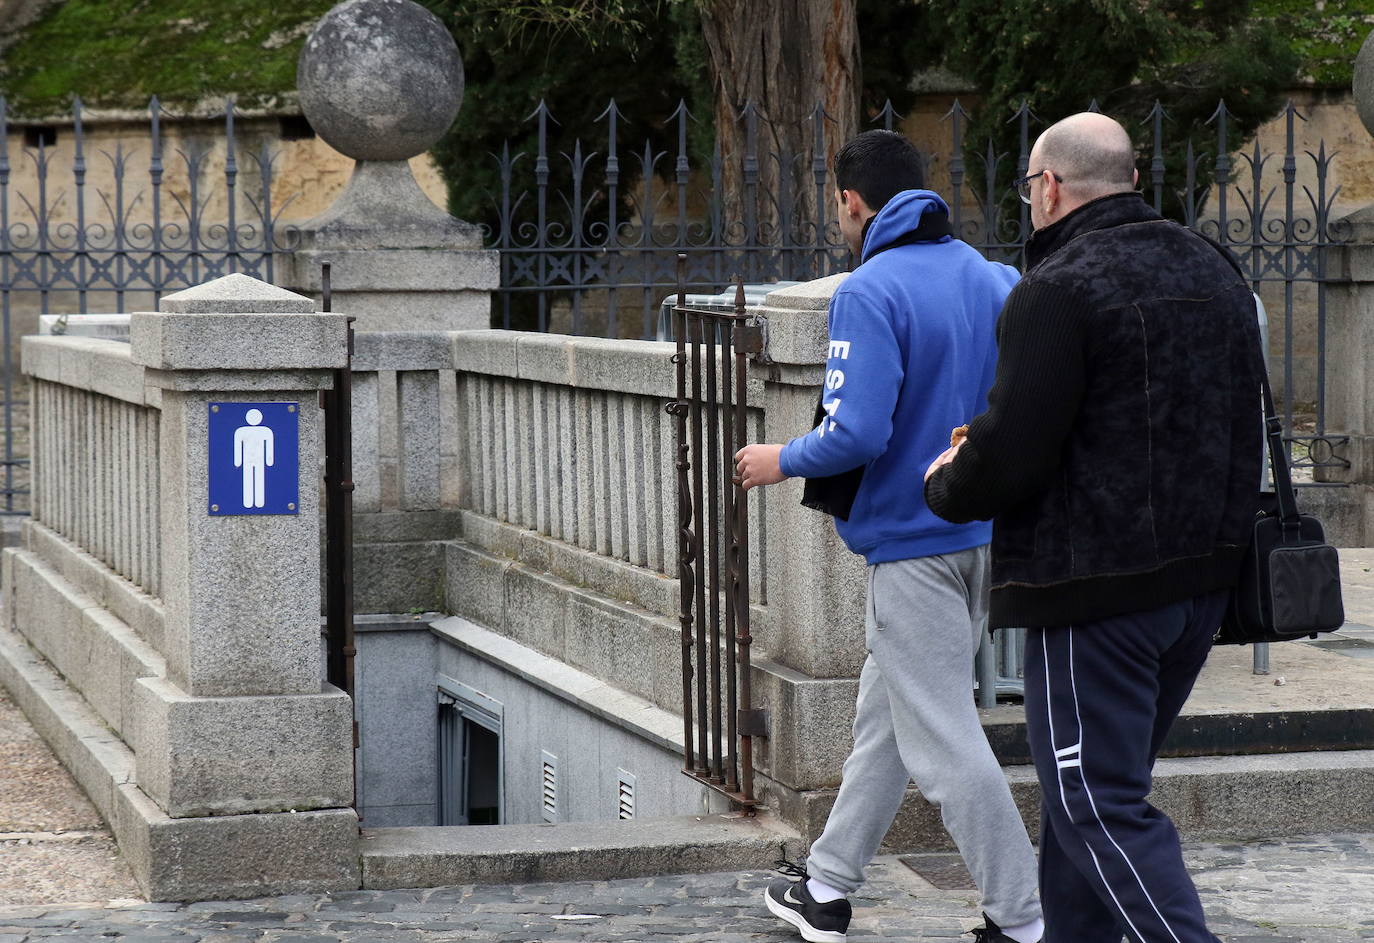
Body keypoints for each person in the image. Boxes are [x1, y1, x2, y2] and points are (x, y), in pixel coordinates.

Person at [923, 112, 1265, 943]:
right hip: (1203, 582)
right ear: (1132, 181)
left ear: (1048, 188)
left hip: (1094, 592)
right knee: (1091, 795)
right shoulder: (1214, 267)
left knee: (1096, 800)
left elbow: (1011, 454)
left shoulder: (1058, 287)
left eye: (1029, 185)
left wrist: (947, 480)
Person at [734, 129, 1044, 943]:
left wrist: (779, 457)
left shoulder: (869, 290)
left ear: (851, 202)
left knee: (943, 742)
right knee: (886, 721)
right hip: (984, 535)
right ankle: (828, 887)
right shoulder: (998, 278)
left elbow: (858, 432)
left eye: (839, 207)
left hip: (912, 546)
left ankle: (1025, 919)